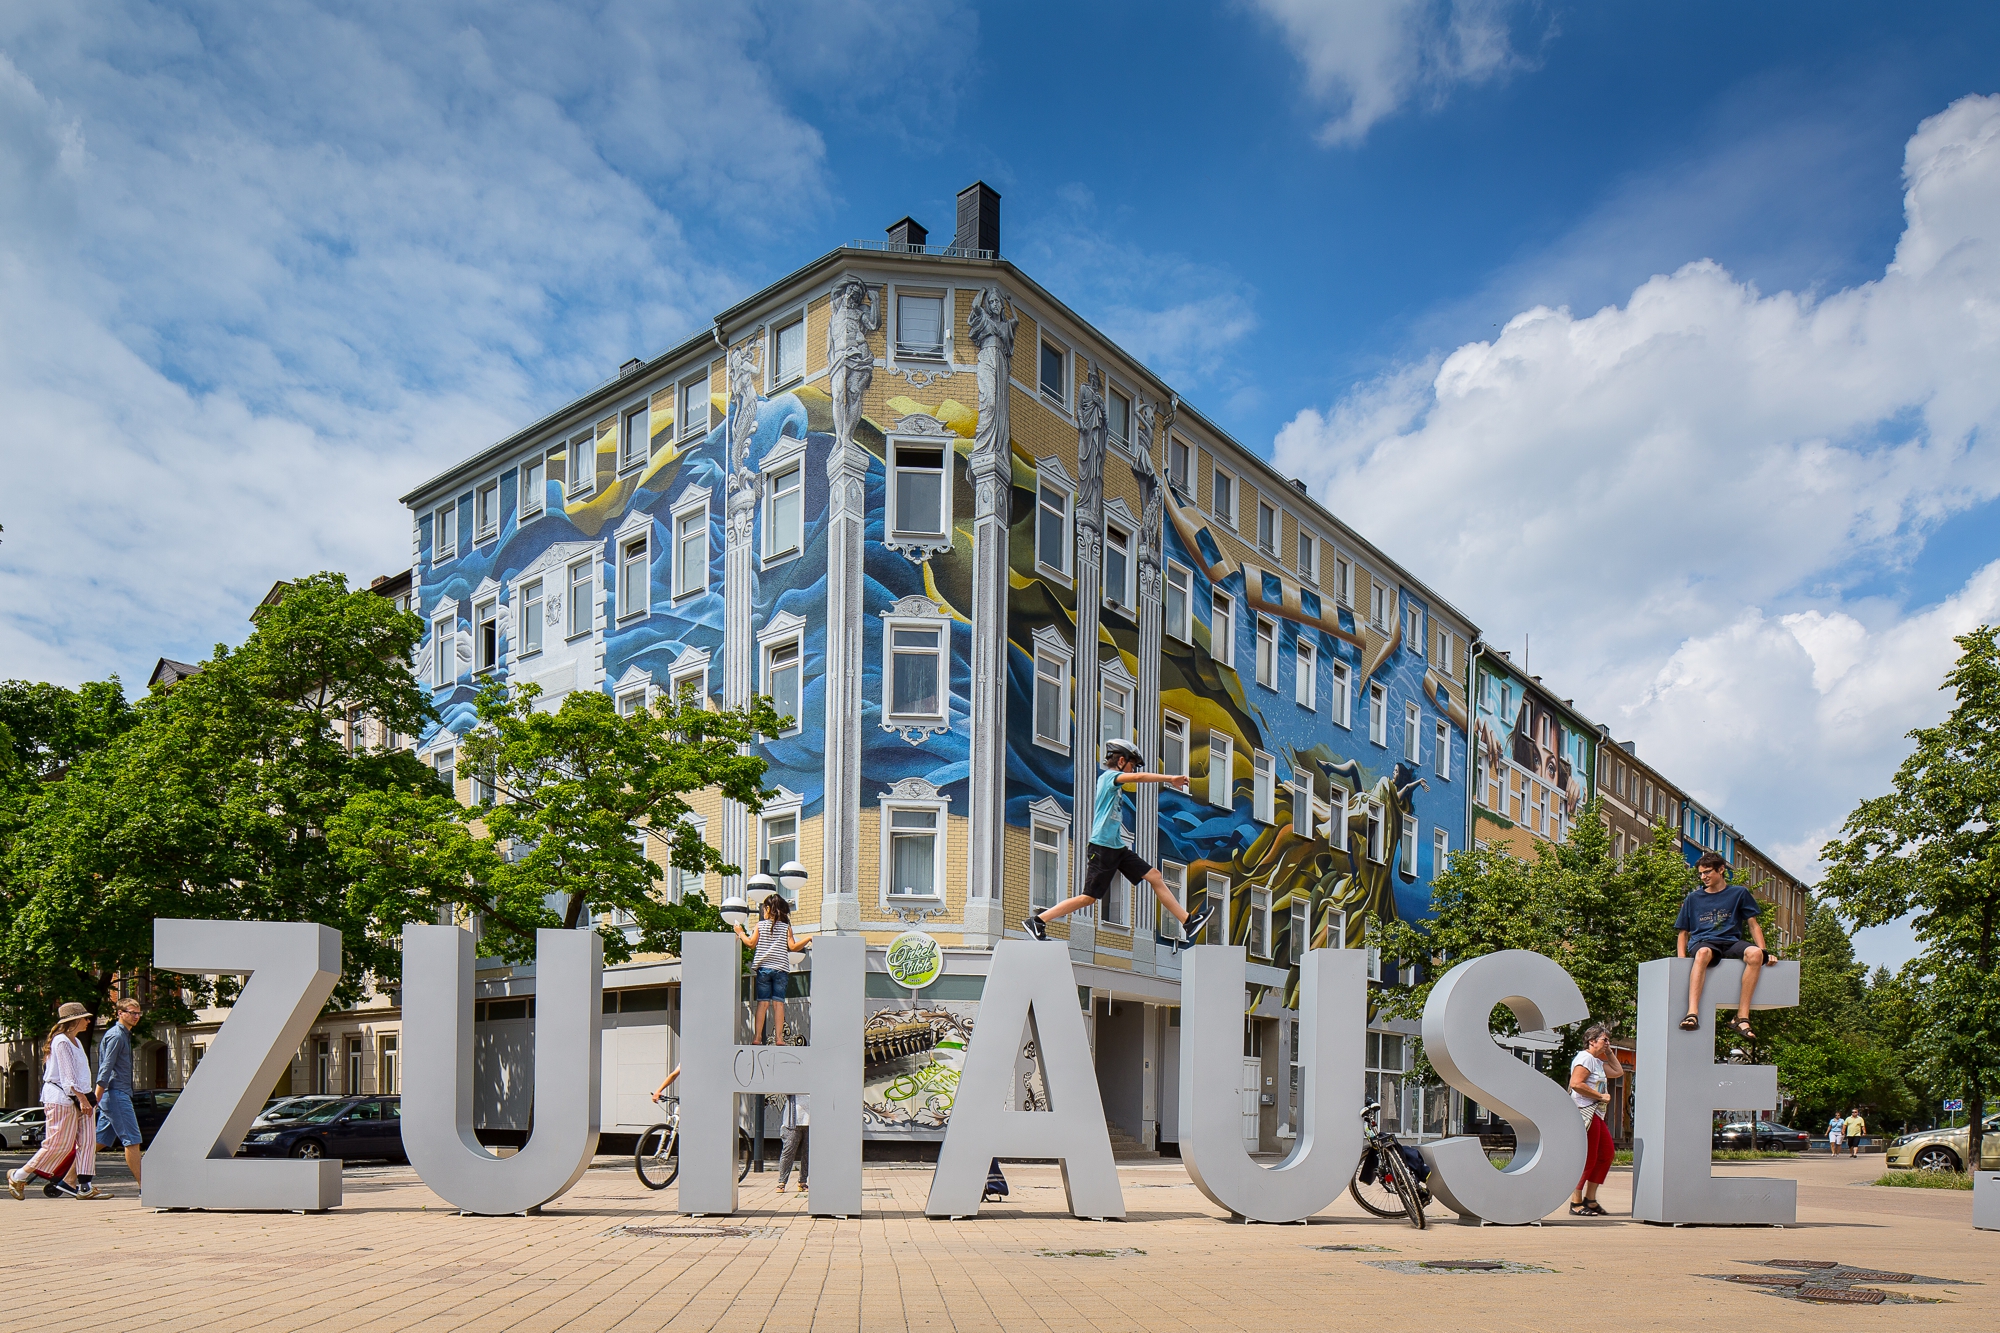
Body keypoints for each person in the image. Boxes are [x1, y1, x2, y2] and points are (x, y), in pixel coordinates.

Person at [1024, 739, 1212, 943]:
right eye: (1132, 765)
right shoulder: (1109, 777)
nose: (1132, 771)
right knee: (1088, 898)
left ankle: (1187, 921)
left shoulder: (1114, 781)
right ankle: (1038, 920)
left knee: (1155, 876)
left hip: (1117, 848)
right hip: (1103, 847)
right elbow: (1139, 777)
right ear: (1121, 761)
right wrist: (1170, 778)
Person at [7, 1003, 104, 1200]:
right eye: (85, 1018)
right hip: (63, 1098)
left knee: (87, 1142)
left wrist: (87, 1099)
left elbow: (80, 1074)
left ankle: (85, 1186)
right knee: (58, 1144)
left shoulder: (75, 1041)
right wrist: (82, 1098)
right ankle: (19, 1175)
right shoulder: (61, 1041)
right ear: (74, 1020)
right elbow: (68, 1077)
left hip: (81, 1098)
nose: (88, 1021)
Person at [1675, 852, 1768, 1039]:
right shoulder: (1693, 898)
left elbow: (1753, 924)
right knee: (1702, 953)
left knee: (1755, 954)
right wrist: (1680, 961)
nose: (1703, 877)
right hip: (1704, 941)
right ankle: (1692, 1013)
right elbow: (1683, 933)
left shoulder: (1739, 893)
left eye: (1708, 872)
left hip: (1731, 941)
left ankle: (1742, 1018)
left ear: (1721, 869)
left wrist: (1765, 951)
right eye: (1701, 874)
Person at [733, 896, 812, 1045]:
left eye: (764, 908)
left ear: (768, 909)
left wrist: (740, 932)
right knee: (779, 1004)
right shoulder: (786, 927)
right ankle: (779, 1039)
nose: (763, 911)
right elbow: (793, 947)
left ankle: (757, 1038)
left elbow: (750, 943)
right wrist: (807, 938)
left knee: (763, 1003)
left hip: (764, 970)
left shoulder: (760, 925)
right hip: (780, 970)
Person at [1567, 1024, 1624, 1217]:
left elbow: (1618, 1072)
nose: (1608, 1043)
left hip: (1597, 1114)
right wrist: (1600, 1096)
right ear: (1592, 1041)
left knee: (1606, 1154)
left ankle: (1590, 1200)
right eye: (1604, 1040)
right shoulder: (1585, 1058)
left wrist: (1608, 1052)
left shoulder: (1597, 1062)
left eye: (1608, 1040)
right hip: (1585, 1111)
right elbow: (1576, 1084)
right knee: (1589, 1157)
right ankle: (1575, 1201)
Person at [95, 997, 145, 1186]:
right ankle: (144, 1186)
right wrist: (97, 1095)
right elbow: (106, 1068)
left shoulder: (124, 1035)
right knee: (132, 1139)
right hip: (116, 1094)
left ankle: (68, 1177)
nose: (136, 1016)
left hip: (116, 1093)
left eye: (138, 1013)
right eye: (132, 1012)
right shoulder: (116, 1035)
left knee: (99, 1141)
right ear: (120, 1013)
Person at [776, 1094, 808, 1193]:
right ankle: (782, 1182)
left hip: (811, 1120)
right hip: (791, 1121)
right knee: (788, 1151)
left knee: (808, 1153)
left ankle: (803, 1181)